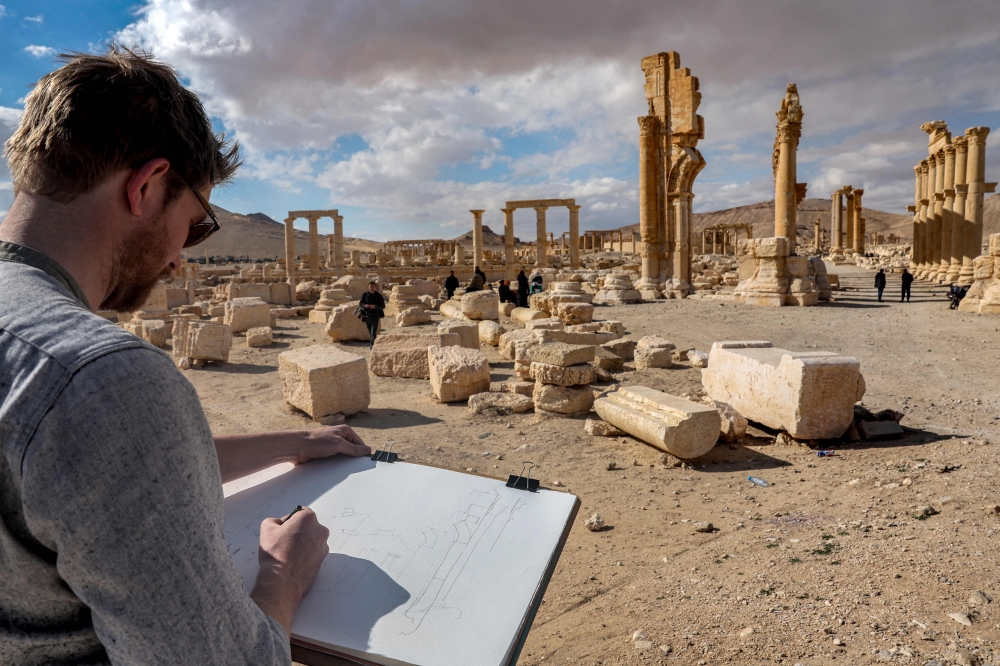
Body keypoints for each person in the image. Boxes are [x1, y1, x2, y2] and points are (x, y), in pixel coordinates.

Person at [0, 48, 373, 664]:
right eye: (195, 224)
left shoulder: (69, 392)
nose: (180, 258)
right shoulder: (101, 379)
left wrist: (292, 443)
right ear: (146, 187)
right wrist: (284, 571)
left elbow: (80, 470)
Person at [360, 281, 385, 348]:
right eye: (371, 287)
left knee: (373, 331)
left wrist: (375, 307)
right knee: (369, 330)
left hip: (375, 315)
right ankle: (373, 342)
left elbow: (382, 306)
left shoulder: (379, 296)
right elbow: (361, 304)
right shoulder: (364, 295)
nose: (372, 288)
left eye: (373, 287)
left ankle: (372, 346)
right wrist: (365, 305)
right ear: (369, 287)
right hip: (367, 315)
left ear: (375, 287)